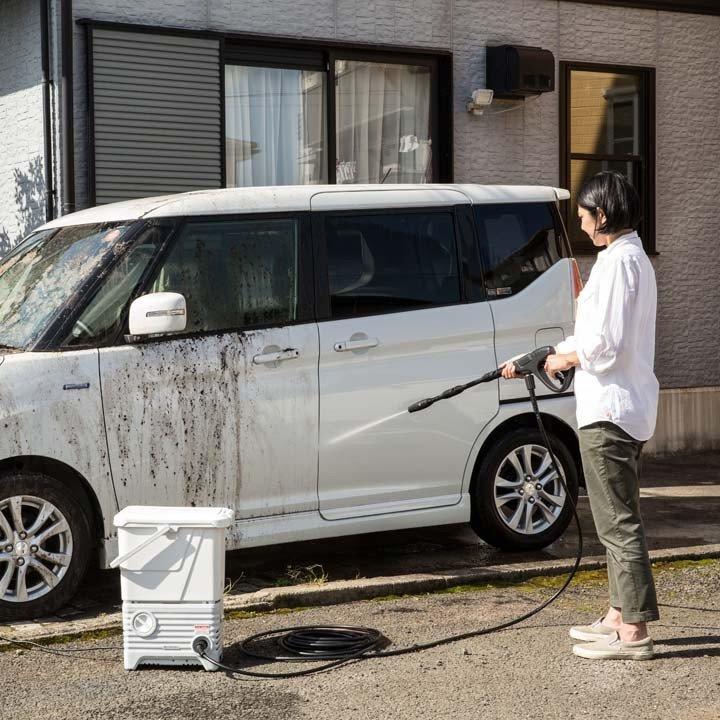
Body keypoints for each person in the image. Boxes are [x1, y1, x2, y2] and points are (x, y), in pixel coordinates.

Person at [501, 171, 659, 661]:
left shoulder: (618, 266)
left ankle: (633, 633)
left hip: (610, 411)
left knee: (617, 522)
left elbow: (604, 346)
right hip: (620, 406)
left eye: (585, 216)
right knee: (617, 517)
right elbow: (600, 337)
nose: (583, 226)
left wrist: (564, 358)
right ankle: (618, 614)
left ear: (603, 215)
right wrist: (548, 353)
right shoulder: (627, 260)